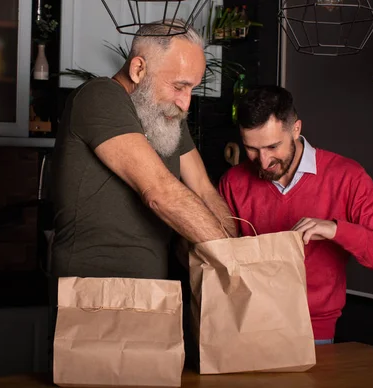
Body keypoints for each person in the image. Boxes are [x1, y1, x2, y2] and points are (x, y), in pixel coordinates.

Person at [218, 85, 373, 344]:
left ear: (296, 129)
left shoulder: (347, 176)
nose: (263, 162)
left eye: (273, 147)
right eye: (252, 149)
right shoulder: (233, 181)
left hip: (314, 331)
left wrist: (336, 230)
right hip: (242, 324)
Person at [49, 19, 236, 280]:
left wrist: (237, 251)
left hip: (153, 290)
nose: (185, 103)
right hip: (92, 292)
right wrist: (237, 263)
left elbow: (203, 189)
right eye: (179, 86)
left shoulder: (163, 116)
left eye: (192, 88)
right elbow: (160, 192)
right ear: (138, 68)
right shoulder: (99, 96)